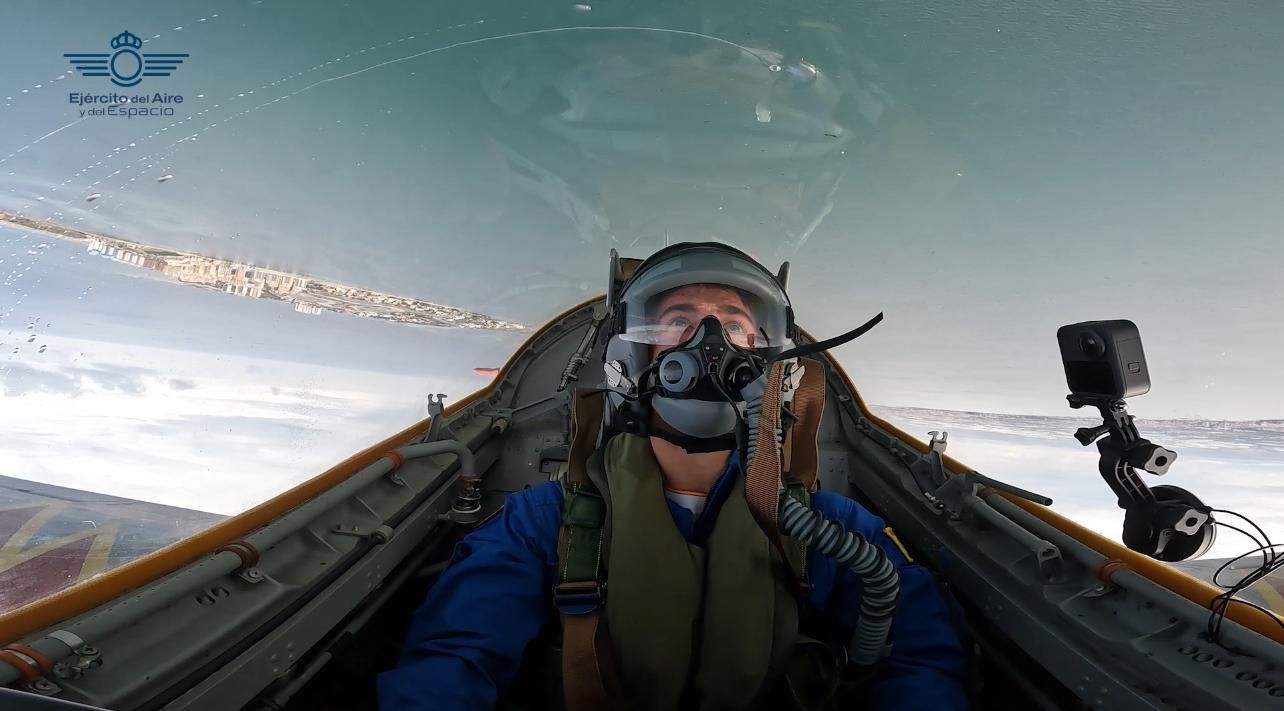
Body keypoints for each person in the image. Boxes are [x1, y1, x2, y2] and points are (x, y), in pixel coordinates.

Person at [378, 243, 970, 710]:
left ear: (770, 359)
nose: (708, 342)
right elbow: (455, 658)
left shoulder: (830, 528)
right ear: (631, 357)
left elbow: (915, 655)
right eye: (677, 321)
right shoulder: (546, 520)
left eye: (734, 324)